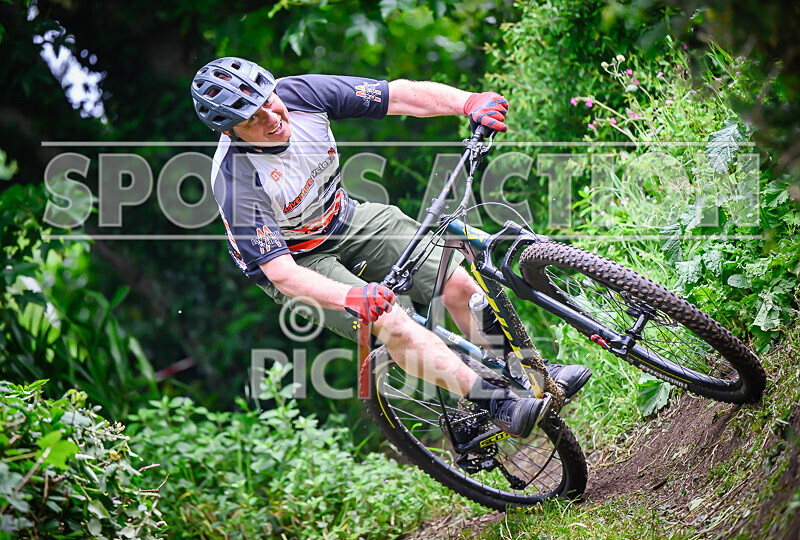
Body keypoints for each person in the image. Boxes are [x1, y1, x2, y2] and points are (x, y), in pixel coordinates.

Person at [190, 57, 590, 438]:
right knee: (391, 321)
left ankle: (531, 373)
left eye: (269, 102)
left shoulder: (300, 94)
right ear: (231, 131)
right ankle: (494, 403)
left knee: (456, 283)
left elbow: (396, 96)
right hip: (298, 260)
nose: (273, 118)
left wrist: (469, 102)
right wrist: (352, 296)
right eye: (253, 120)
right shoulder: (235, 179)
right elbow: (282, 274)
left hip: (344, 217)